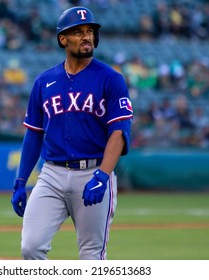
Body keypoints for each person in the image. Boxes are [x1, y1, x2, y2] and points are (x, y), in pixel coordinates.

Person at [10, 6, 133, 260]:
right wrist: (21, 181)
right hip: (51, 174)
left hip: (93, 171)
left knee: (91, 255)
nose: (86, 36)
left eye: (90, 31)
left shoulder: (111, 79)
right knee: (30, 247)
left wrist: (103, 174)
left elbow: (118, 133)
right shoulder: (44, 81)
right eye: (78, 32)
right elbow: (34, 133)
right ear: (63, 39)